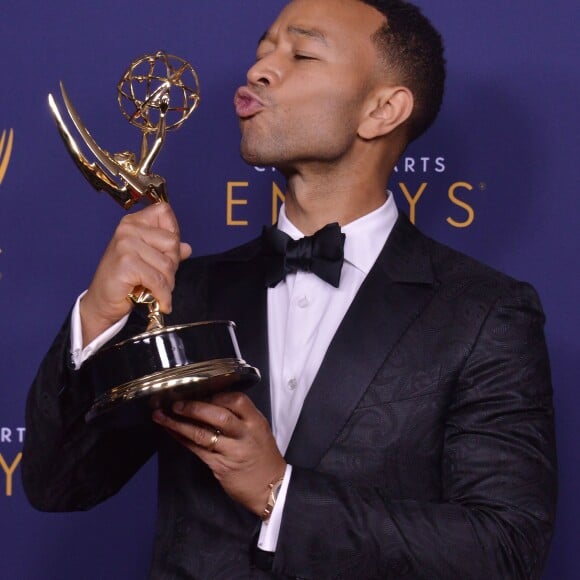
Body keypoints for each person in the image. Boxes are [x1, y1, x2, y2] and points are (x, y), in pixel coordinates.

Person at [22, 0, 557, 578]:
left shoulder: (483, 312)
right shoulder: (186, 291)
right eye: (262, 52)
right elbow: (58, 485)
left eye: (301, 53)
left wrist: (280, 493)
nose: (258, 71)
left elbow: (505, 550)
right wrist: (100, 317)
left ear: (382, 109)